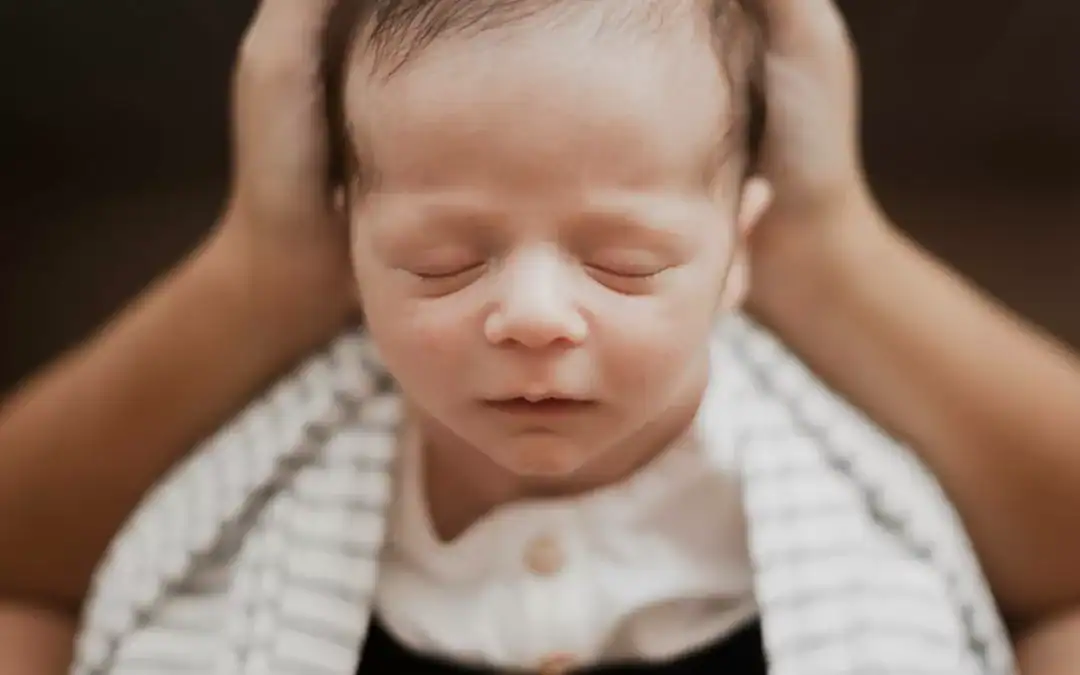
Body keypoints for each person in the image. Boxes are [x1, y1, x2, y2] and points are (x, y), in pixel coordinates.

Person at [0, 0, 1078, 672]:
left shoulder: (848, 521)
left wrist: (831, 236)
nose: (531, 318)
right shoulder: (254, 516)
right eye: (440, 262)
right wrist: (260, 259)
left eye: (625, 263)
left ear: (742, 247)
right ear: (348, 247)